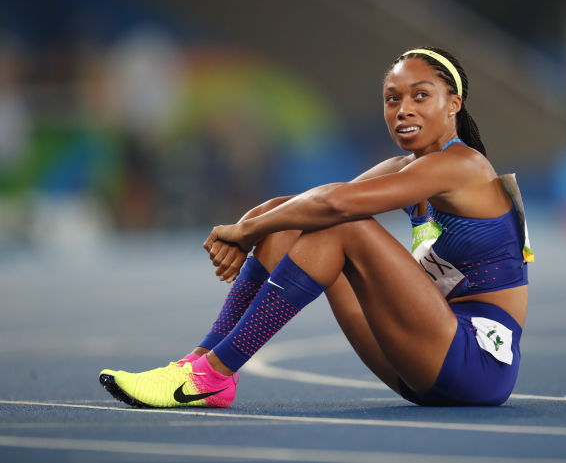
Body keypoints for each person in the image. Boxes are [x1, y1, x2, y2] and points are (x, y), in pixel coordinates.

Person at [99, 47, 533, 408]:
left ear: (453, 103)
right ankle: (199, 363)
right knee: (291, 217)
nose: (403, 110)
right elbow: (311, 206)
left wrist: (244, 233)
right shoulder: (408, 168)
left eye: (421, 96)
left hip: (475, 364)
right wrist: (256, 222)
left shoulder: (463, 165)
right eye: (392, 99)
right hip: (420, 363)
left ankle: (214, 373)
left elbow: (336, 204)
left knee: (343, 226)